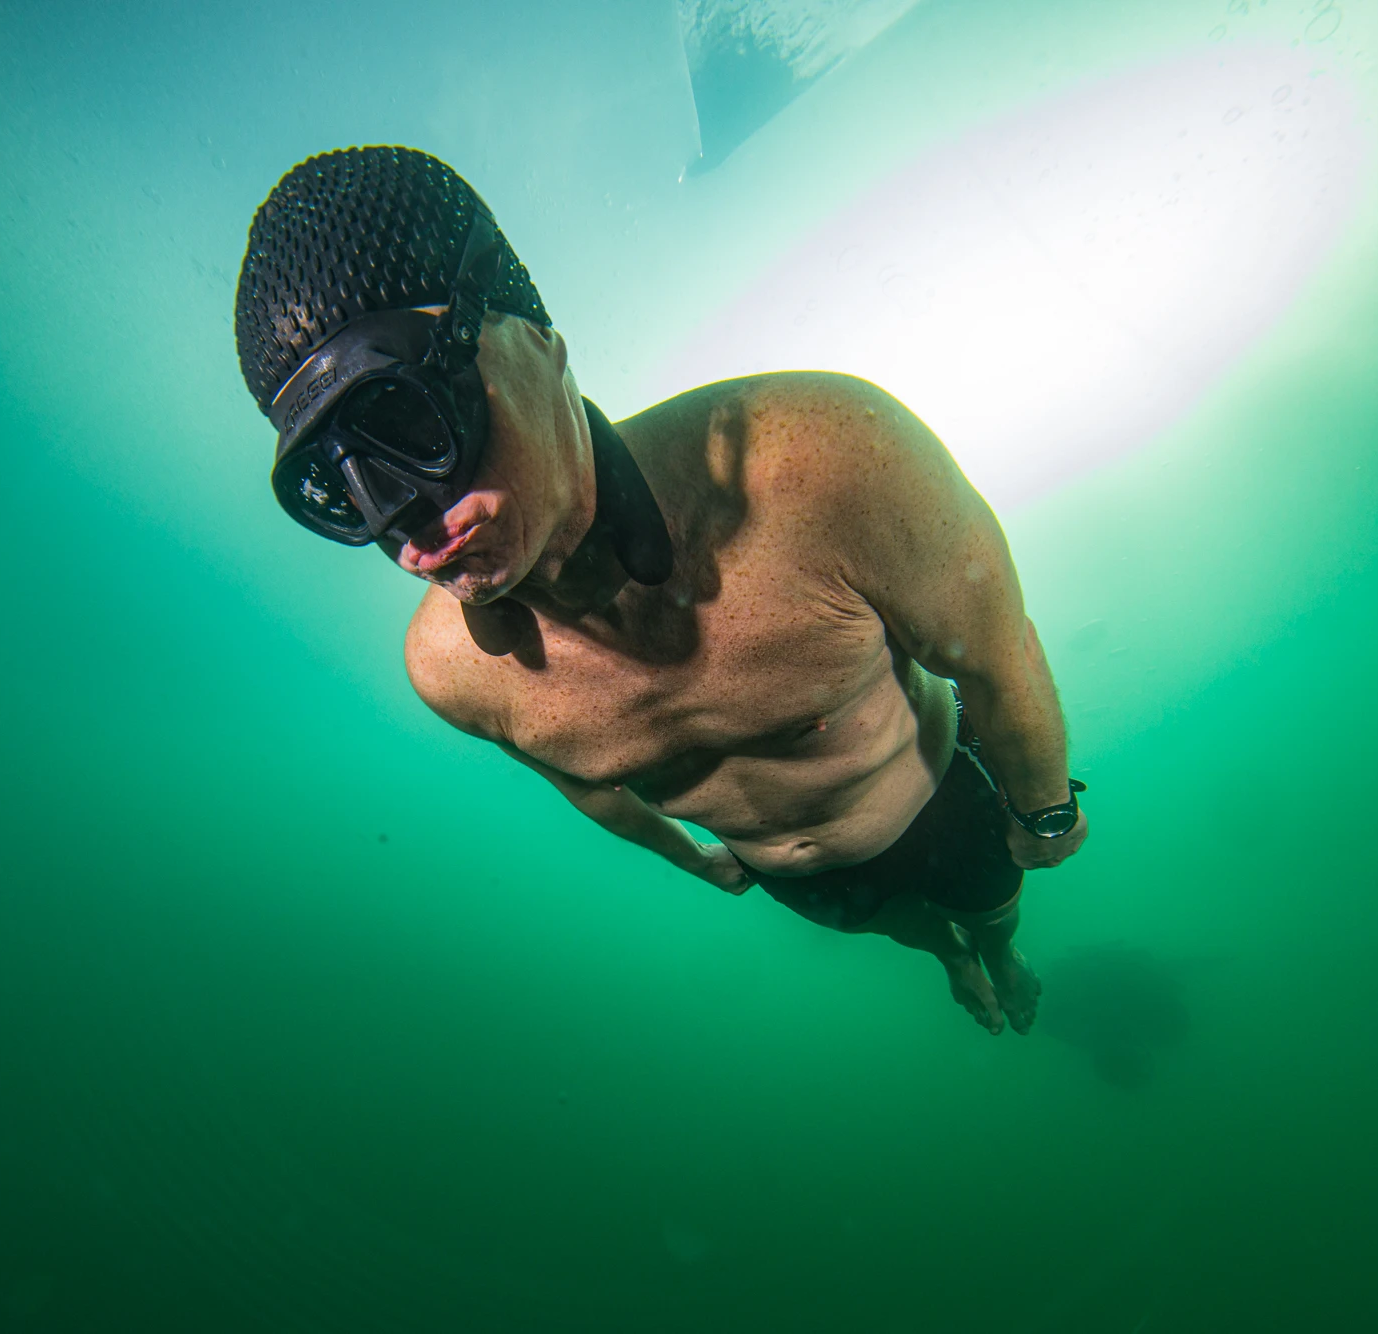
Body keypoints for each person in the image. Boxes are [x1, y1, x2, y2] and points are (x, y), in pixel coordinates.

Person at [233, 147, 1087, 1034]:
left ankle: (997, 952)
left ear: (536, 341)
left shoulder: (822, 465)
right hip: (794, 877)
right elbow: (591, 784)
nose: (408, 530)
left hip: (937, 807)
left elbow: (997, 654)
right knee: (907, 930)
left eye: (410, 419)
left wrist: (1043, 811)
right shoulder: (452, 671)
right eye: (338, 489)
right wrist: (695, 858)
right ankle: (951, 956)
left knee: (995, 911)